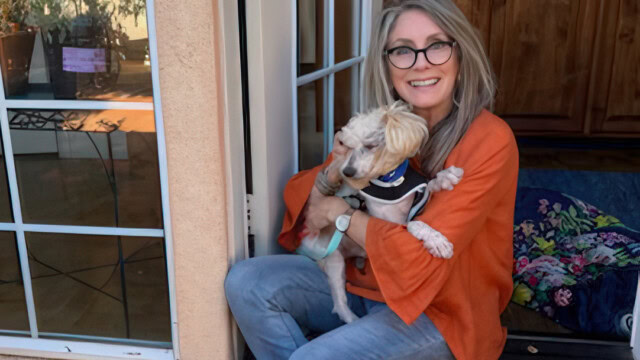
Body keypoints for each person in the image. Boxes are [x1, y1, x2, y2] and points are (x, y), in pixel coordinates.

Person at [225, 0, 518, 359]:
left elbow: (418, 261)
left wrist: (339, 215)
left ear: (461, 53)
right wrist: (335, 169)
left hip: (441, 310)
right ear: (386, 62)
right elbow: (299, 203)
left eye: (437, 45)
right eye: (402, 50)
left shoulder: (489, 139)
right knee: (248, 283)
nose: (421, 62)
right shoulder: (379, 127)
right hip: (361, 285)